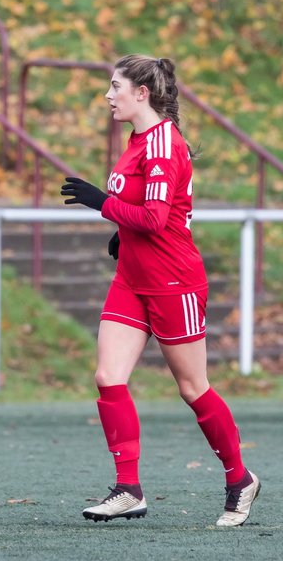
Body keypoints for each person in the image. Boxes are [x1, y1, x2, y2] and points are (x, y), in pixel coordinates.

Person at [61, 54, 260, 527]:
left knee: (193, 388)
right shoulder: (137, 140)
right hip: (133, 278)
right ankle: (128, 489)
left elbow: (153, 219)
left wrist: (103, 204)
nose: (109, 96)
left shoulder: (164, 144)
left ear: (141, 93)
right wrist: (120, 229)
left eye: (115, 87)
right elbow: (151, 209)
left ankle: (239, 479)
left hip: (174, 282)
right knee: (109, 377)